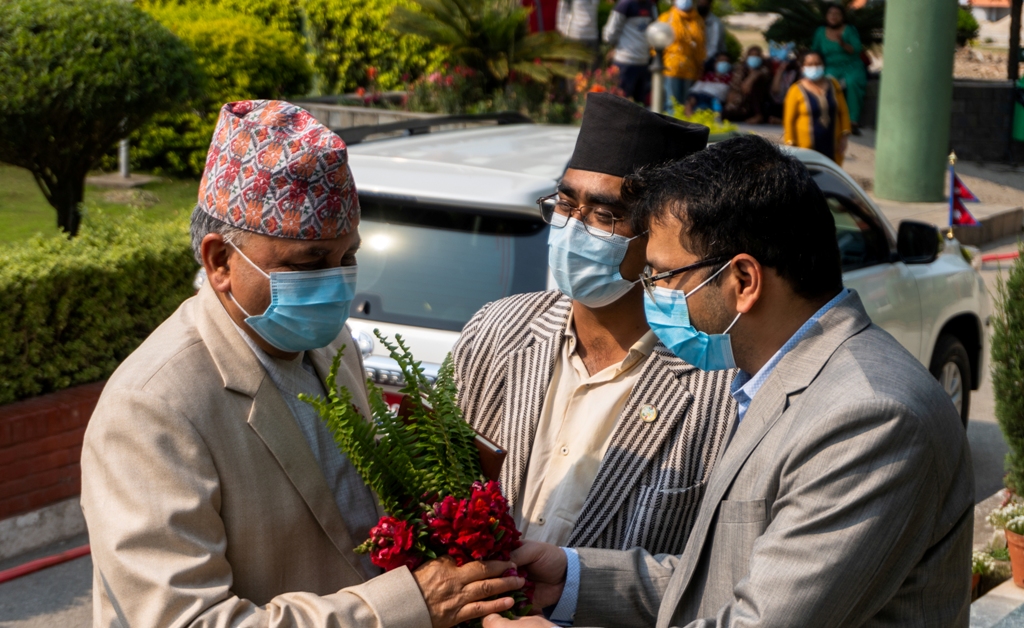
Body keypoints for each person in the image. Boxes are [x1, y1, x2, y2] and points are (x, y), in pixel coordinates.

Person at [483, 135, 974, 628]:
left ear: (743, 280)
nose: (650, 293)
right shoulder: (771, 382)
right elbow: (718, 579)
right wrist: (571, 579)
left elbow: (759, 620)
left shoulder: (869, 417)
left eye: (660, 276)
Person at [81, 100, 525, 628]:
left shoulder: (331, 346)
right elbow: (187, 621)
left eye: (348, 258)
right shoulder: (153, 408)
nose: (336, 282)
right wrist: (406, 606)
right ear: (220, 261)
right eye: (309, 263)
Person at [451, 93, 735, 600]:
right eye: (565, 203)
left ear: (659, 239)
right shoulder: (496, 332)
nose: (573, 227)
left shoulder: (717, 389)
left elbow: (720, 573)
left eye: (605, 215)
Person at [783, 51, 852, 166]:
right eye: (809, 64)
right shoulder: (795, 90)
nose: (814, 67)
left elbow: (843, 111)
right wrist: (790, 145)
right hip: (805, 149)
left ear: (823, 65)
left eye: (817, 63)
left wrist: (844, 137)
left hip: (832, 147)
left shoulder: (833, 85)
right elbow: (789, 120)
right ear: (803, 68)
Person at [812, 3, 867, 134]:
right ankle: (828, 118)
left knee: (852, 82)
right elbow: (815, 51)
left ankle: (852, 121)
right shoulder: (820, 32)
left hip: (851, 66)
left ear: (842, 17)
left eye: (837, 14)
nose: (833, 16)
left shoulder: (850, 30)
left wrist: (843, 44)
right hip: (831, 67)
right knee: (827, 83)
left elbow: (856, 49)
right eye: (830, 14)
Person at [602, 0, 658, 104]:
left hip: (633, 60)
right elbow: (610, 34)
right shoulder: (627, 5)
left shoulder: (648, 6)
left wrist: (613, 46)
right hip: (629, 61)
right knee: (623, 103)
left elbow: (609, 35)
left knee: (627, 104)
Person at [659, 0, 706, 113]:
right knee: (672, 103)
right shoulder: (666, 18)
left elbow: (701, 46)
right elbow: (656, 43)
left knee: (686, 103)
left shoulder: (698, 20)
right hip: (671, 67)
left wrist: (700, 65)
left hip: (690, 68)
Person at [722, 45, 771, 123]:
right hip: (741, 102)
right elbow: (735, 87)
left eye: (756, 56)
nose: (754, 58)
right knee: (727, 113)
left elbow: (748, 85)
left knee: (755, 86)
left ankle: (758, 115)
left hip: (759, 101)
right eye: (751, 55)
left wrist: (751, 77)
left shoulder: (763, 69)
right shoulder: (740, 69)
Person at [557, 0, 601, 65]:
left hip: (592, 36)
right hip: (576, 36)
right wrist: (562, 29)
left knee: (591, 71)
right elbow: (563, 7)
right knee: (573, 70)